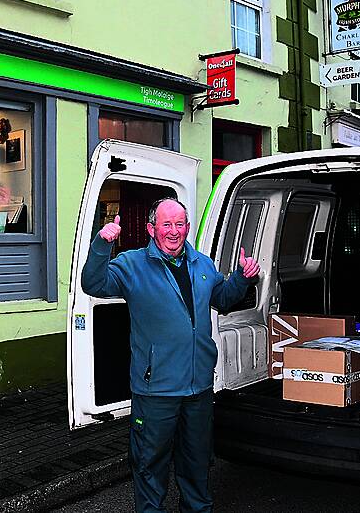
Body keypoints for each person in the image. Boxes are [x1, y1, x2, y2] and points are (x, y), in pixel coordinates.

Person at [81, 198, 260, 513]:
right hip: (156, 391)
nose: (174, 231)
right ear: (152, 229)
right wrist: (101, 243)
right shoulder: (131, 264)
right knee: (150, 466)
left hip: (198, 388)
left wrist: (242, 278)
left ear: (188, 228)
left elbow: (225, 299)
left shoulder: (203, 265)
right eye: (166, 224)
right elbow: (93, 283)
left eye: (180, 224)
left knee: (198, 463)